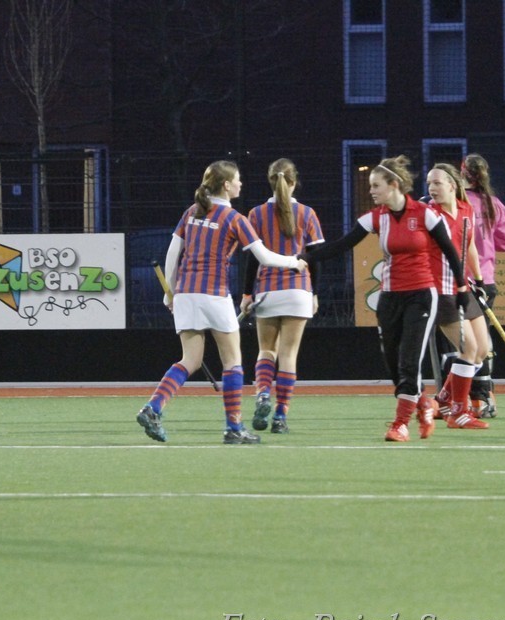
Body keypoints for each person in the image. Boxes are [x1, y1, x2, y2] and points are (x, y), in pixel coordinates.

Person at [298, 155, 470, 442]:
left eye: (376, 185)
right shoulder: (376, 217)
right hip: (389, 298)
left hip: (421, 295)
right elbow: (342, 245)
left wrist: (462, 290)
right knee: (393, 360)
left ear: (394, 185)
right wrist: (305, 258)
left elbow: (451, 252)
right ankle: (422, 402)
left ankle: (400, 424)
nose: (371, 191)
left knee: (409, 360)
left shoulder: (425, 214)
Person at [136, 160, 306, 445]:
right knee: (232, 361)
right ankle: (233, 428)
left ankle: (153, 408)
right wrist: (294, 262)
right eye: (237, 179)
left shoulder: (191, 212)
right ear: (226, 185)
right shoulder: (234, 218)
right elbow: (264, 257)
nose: (240, 183)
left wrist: (170, 292)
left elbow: (173, 253)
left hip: (186, 293)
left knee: (190, 359)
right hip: (214, 294)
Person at [240, 158, 325, 434]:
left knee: (267, 350)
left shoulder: (256, 214)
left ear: (270, 181)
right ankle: (280, 417)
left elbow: (252, 260)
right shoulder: (308, 213)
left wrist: (246, 294)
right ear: (294, 181)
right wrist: (314, 294)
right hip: (299, 290)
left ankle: (263, 393)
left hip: (268, 290)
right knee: (288, 355)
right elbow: (315, 258)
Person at [424, 163, 491, 429]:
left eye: (437, 183)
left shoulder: (466, 209)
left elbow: (470, 244)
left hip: (463, 289)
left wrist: (480, 279)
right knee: (469, 349)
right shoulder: (430, 214)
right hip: (441, 291)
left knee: (482, 350)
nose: (431, 188)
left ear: (452, 185)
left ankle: (443, 398)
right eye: (429, 183)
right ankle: (458, 413)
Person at [461, 153, 505, 418]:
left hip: (461, 282)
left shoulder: (456, 203)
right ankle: (479, 397)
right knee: (479, 340)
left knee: (464, 343)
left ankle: (477, 398)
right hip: (486, 280)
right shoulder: (493, 204)